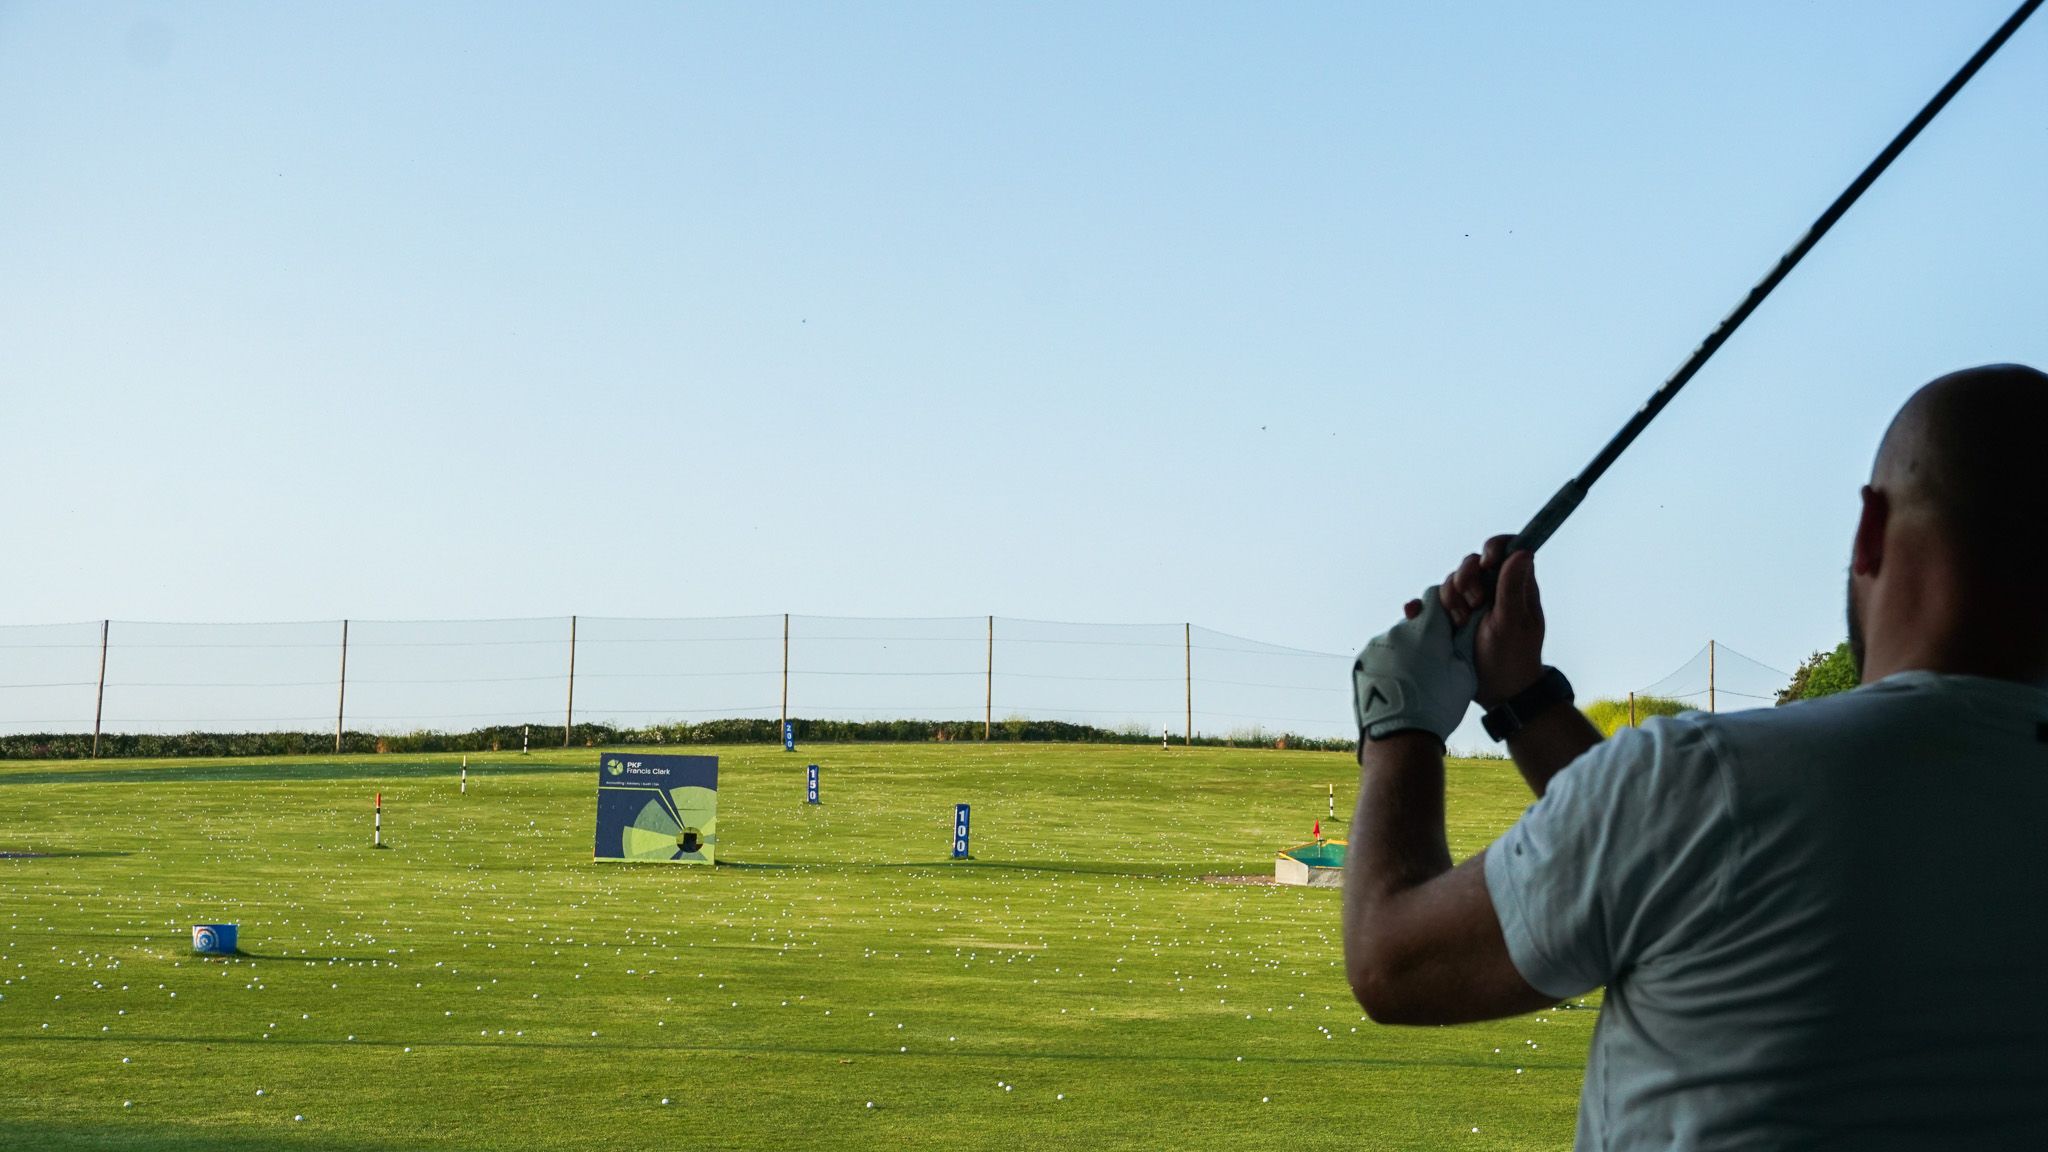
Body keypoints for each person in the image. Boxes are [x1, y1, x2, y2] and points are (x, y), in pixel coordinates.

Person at [1342, 363, 2048, 1149]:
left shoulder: (1710, 780)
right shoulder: (1711, 796)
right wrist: (1524, 698)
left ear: (1870, 530)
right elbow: (1673, 864)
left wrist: (1396, 714)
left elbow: (1392, 959)